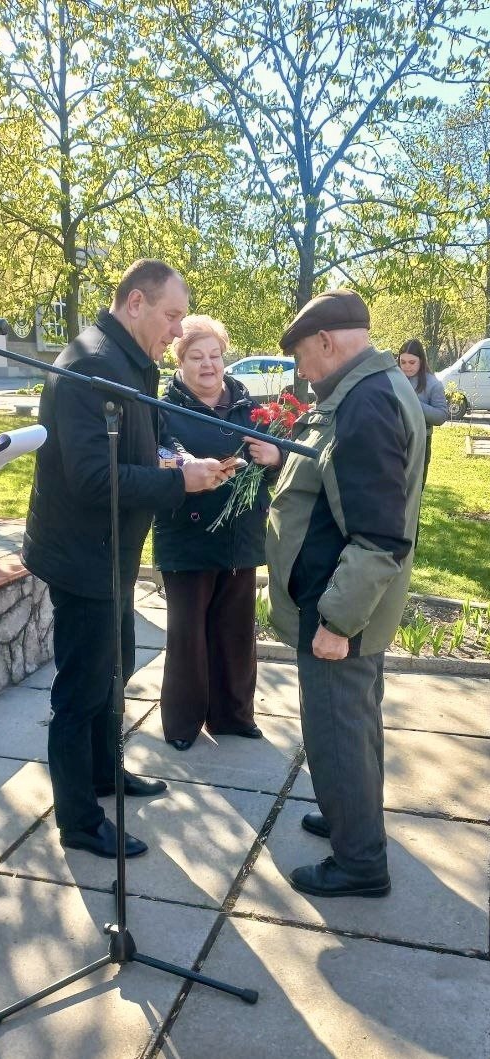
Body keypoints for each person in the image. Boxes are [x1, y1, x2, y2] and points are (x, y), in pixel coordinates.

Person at [22, 260, 232, 859]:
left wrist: (175, 461)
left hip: (112, 552)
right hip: (83, 556)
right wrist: (179, 484)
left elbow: (141, 445)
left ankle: (103, 774)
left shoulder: (131, 363)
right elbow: (91, 477)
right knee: (83, 687)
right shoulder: (90, 364)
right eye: (171, 316)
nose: (177, 331)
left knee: (116, 670)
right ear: (135, 302)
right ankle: (80, 821)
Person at [267, 289, 425, 898]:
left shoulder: (366, 403)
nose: (302, 375)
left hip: (341, 606)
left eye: (304, 359)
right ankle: (346, 817)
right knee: (353, 728)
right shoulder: (370, 390)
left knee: (338, 730)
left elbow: (380, 535)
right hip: (342, 598)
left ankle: (359, 862)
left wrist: (335, 621)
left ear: (328, 343)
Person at [153, 315, 281, 751]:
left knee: (236, 631)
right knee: (187, 635)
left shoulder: (250, 407)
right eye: (196, 356)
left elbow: (273, 475)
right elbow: (163, 456)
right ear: (180, 360)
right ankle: (183, 723)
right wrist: (187, 466)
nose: (208, 365)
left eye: (215, 355)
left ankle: (233, 716)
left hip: (239, 536)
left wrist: (275, 459)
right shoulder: (163, 409)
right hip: (186, 536)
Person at [397, 339, 447, 485]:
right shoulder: (394, 379)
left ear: (421, 360)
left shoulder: (433, 384)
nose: (407, 367)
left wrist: (414, 404)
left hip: (421, 442)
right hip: (394, 440)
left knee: (415, 489)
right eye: (403, 362)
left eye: (412, 362)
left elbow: (441, 416)